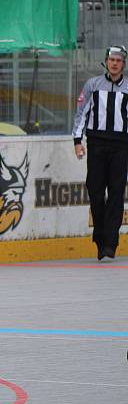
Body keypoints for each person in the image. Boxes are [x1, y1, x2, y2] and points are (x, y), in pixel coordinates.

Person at [73, 45, 128, 262]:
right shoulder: (92, 85)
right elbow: (81, 114)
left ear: (123, 64)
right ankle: (100, 236)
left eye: (119, 60)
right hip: (96, 144)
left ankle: (110, 243)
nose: (114, 63)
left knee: (116, 193)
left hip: (121, 146)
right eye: (111, 59)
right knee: (95, 190)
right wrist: (77, 141)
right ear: (106, 61)